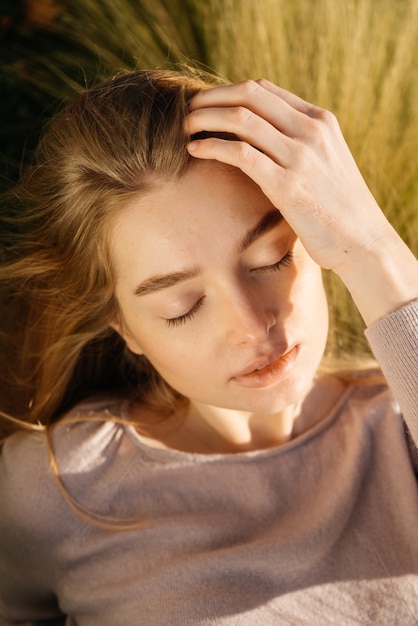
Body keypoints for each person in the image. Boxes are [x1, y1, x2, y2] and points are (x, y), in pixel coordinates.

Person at [0, 69, 417, 625]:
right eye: (183, 306)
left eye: (272, 257)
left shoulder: (401, 419)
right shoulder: (59, 487)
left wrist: (372, 248)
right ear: (122, 326)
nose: (251, 324)